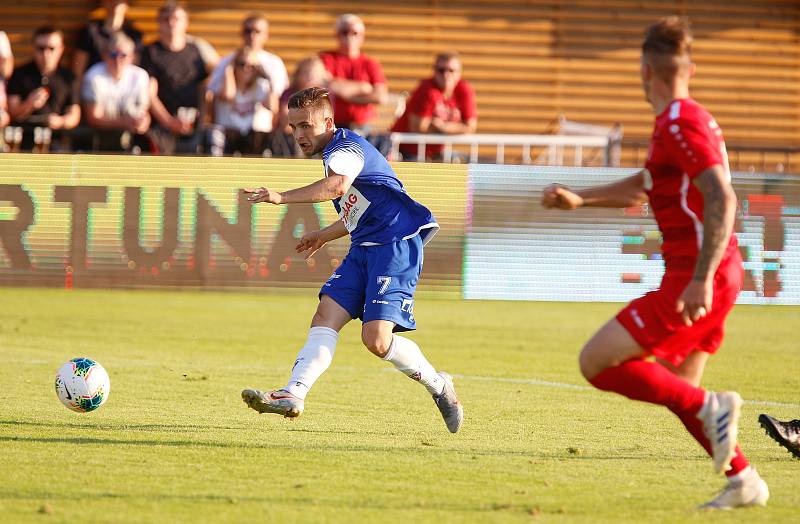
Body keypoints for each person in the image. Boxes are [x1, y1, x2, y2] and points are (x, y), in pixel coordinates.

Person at [541, 17, 768, 510]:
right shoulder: (687, 119)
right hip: (715, 270)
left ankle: (715, 410)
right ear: (689, 67)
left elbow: (722, 199)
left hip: (698, 272)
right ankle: (744, 480)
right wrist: (581, 198)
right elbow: (647, 181)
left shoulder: (679, 122)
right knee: (679, 388)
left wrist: (701, 279)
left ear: (645, 70)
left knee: (596, 361)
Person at [240, 87, 463, 433]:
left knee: (376, 341)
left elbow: (337, 187)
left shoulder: (345, 148)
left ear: (328, 122)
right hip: (364, 246)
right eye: (293, 126)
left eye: (306, 126)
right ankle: (293, 393)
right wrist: (323, 235)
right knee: (325, 313)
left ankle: (439, 385)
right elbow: (358, 209)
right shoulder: (335, 150)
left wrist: (280, 197)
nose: (299, 134)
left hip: (395, 245)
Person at [141, 1, 217, 155]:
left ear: (186, 22)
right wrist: (169, 122)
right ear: (159, 23)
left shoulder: (196, 50)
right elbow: (150, 94)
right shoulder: (151, 52)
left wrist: (202, 122)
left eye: (176, 18)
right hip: (162, 130)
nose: (171, 23)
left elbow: (204, 89)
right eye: (166, 18)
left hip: (193, 128)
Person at [206, 13, 288, 131]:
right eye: (248, 31)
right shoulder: (226, 61)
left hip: (259, 132)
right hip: (228, 128)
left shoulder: (274, 63)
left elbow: (277, 102)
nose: (252, 35)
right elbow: (215, 96)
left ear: (266, 35)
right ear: (241, 33)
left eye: (257, 31)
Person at [391, 51, 477, 161]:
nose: (446, 75)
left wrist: (443, 126)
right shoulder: (427, 89)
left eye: (451, 70)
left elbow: (471, 127)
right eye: (441, 70)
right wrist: (457, 128)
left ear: (459, 73)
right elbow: (418, 127)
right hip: (407, 151)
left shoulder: (464, 90)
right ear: (435, 71)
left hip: (435, 153)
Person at [6, 26, 81, 151]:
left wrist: (60, 122)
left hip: (58, 145)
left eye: (51, 48)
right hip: (25, 145)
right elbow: (13, 112)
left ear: (61, 49)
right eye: (41, 48)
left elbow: (74, 116)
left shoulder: (68, 77)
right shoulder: (20, 74)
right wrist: (29, 103)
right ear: (33, 49)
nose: (46, 54)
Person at [81, 32, 150, 152]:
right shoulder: (93, 76)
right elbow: (93, 118)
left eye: (123, 55)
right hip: (100, 139)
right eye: (113, 55)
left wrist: (143, 122)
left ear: (132, 57)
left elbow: (143, 113)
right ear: (104, 55)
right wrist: (124, 122)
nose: (118, 60)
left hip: (133, 138)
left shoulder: (140, 76)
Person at [319, 14, 387, 133]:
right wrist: (363, 87)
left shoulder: (371, 64)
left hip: (363, 126)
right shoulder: (325, 59)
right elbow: (325, 84)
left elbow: (380, 96)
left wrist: (346, 95)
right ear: (337, 35)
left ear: (362, 37)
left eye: (354, 33)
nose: (349, 37)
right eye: (344, 32)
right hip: (330, 124)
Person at [210, 47, 276, 156]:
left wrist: (269, 79)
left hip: (253, 138)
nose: (246, 68)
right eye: (241, 64)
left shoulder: (260, 86)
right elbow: (228, 95)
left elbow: (272, 107)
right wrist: (228, 69)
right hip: (228, 136)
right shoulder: (224, 84)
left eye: (252, 66)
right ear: (234, 65)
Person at [72, 0, 143, 82]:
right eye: (110, 0)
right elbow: (78, 71)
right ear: (103, 2)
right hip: (94, 87)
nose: (115, 2)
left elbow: (133, 68)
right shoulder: (90, 32)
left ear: (127, 3)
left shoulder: (134, 35)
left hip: (124, 89)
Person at [274, 56, 331, 157]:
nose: (310, 76)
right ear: (298, 75)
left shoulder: (324, 96)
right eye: (306, 72)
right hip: (292, 137)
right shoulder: (288, 93)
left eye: (315, 73)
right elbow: (285, 122)